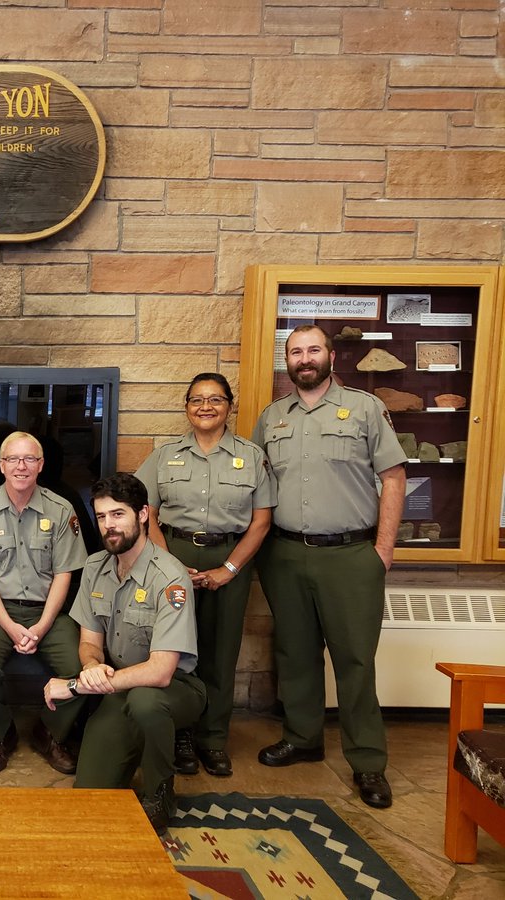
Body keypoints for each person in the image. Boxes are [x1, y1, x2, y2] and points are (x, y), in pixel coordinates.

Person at [251, 324, 406, 810]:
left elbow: (395, 478)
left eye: (313, 349)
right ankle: (303, 738)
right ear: (288, 361)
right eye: (295, 352)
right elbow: (256, 486)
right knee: (295, 654)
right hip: (285, 554)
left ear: (331, 355)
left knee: (355, 663)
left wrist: (382, 550)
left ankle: (368, 763)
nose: (304, 358)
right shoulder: (271, 418)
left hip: (351, 555)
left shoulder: (365, 409)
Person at [44, 474, 205, 835]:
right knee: (89, 794)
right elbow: (89, 641)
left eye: (118, 514)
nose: (108, 526)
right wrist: (90, 667)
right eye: (101, 517)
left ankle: (159, 790)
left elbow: (162, 672)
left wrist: (76, 687)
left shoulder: (170, 577)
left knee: (147, 704)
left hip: (173, 690)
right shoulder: (95, 567)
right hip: (119, 689)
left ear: (144, 514)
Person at [136, 373, 275, 778]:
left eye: (215, 399)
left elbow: (262, 521)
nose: (205, 406)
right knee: (174, 652)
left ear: (229, 406)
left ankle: (213, 740)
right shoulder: (165, 456)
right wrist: (171, 567)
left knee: (220, 653)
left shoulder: (251, 456)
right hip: (173, 556)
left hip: (230, 556)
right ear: (186, 407)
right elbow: (148, 514)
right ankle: (180, 734)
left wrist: (228, 570)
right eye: (196, 399)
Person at [0, 431, 86, 774]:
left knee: (81, 670)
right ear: (1, 465)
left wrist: (42, 625)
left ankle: (50, 731)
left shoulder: (61, 510)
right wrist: (11, 627)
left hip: (48, 611)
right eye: (13, 459)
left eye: (30, 459)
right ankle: (2, 734)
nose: (21, 466)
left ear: (41, 465)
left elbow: (64, 575)